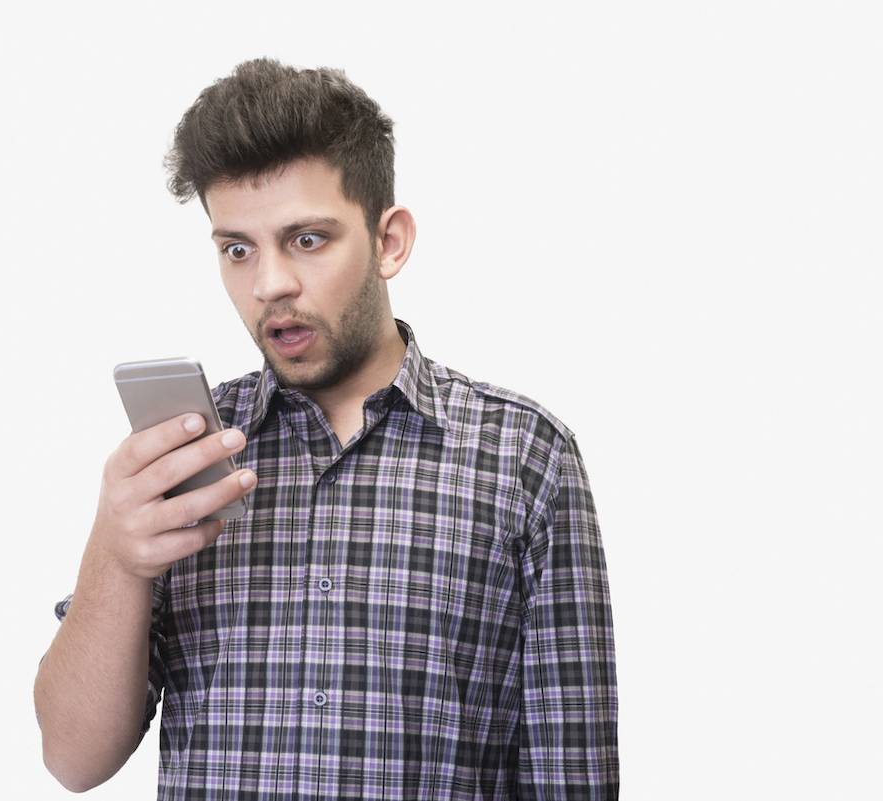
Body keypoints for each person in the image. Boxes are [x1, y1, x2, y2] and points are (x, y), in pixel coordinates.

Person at [34, 58, 618, 799]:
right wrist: (115, 558)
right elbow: (72, 758)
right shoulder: (181, 460)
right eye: (236, 248)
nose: (268, 283)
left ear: (390, 242)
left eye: (306, 239)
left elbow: (573, 776)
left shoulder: (527, 460)